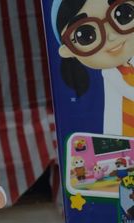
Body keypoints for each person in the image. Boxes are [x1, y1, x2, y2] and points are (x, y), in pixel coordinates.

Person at [53, 0, 134, 135]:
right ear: (67, 50)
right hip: (124, 131)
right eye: (86, 34)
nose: (111, 36)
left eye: (124, 14)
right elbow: (127, 90)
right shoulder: (111, 73)